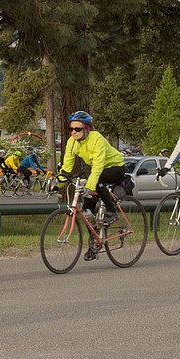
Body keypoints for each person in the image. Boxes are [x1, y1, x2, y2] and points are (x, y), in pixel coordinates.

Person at [57, 111, 126, 260]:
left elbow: (98, 166)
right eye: (71, 129)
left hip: (115, 167)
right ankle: (94, 245)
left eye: (78, 129)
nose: (74, 132)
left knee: (97, 180)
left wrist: (90, 186)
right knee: (87, 210)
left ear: (87, 129)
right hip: (98, 170)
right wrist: (58, 183)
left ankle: (112, 211)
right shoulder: (72, 142)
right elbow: (67, 165)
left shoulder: (97, 139)